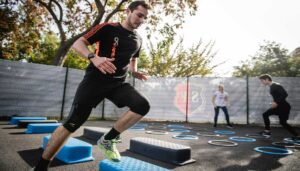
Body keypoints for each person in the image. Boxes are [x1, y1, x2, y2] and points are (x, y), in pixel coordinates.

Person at [31, 1, 151, 170]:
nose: (142, 20)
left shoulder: (138, 39)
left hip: (117, 84)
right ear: (128, 11)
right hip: (95, 81)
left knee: (142, 105)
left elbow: (133, 59)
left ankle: (108, 139)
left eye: (145, 18)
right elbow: (78, 43)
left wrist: (135, 71)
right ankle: (41, 167)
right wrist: (93, 57)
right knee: (73, 122)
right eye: (139, 15)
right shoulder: (108, 28)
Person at [258, 74, 299, 139]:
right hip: (278, 106)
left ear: (267, 79)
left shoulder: (276, 85)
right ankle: (267, 131)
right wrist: (274, 102)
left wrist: (276, 102)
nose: (262, 82)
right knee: (265, 114)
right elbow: (278, 96)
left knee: (283, 123)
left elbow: (285, 94)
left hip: (284, 107)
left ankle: (297, 135)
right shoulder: (271, 86)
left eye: (262, 81)